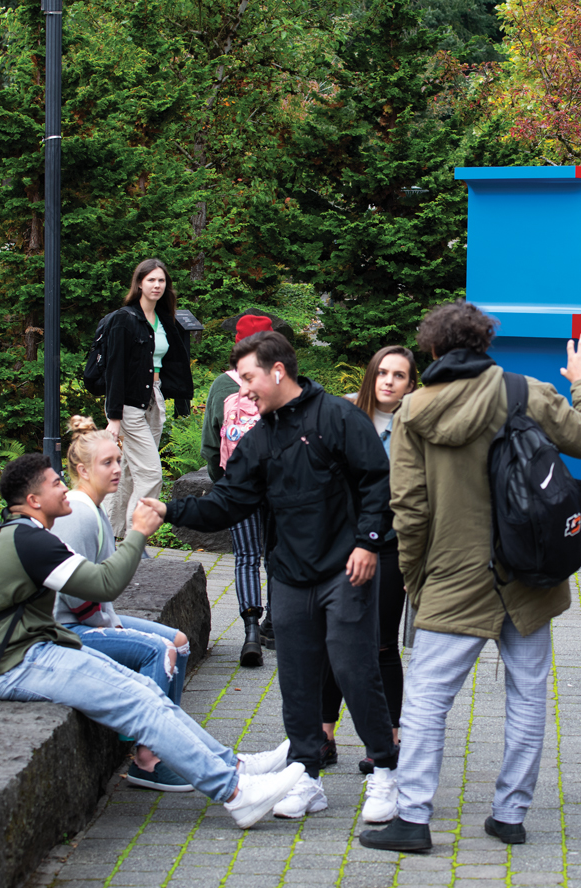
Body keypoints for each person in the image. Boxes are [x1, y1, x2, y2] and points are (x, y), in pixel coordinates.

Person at [360, 304, 581, 854]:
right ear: (483, 344)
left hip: (452, 576)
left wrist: (416, 581)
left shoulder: (414, 410)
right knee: (527, 693)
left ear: (430, 351)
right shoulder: (526, 392)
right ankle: (510, 815)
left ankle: (413, 819)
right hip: (529, 573)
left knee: (426, 700)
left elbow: (408, 509)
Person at [146, 331, 401, 824]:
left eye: (248, 379)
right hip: (289, 574)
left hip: (346, 567)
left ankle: (385, 773)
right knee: (298, 678)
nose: (243, 391)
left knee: (354, 668)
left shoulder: (338, 417)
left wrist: (368, 542)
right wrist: (171, 510)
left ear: (277, 371)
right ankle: (306, 777)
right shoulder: (260, 438)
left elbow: (378, 481)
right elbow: (230, 501)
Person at [0, 454, 305, 828]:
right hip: (16, 663)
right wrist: (138, 532)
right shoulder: (30, 541)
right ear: (33, 500)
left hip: (33, 651)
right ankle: (236, 793)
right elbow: (104, 585)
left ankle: (235, 769)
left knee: (144, 694)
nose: (64, 487)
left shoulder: (22, 534)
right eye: (54, 483)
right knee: (138, 700)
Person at [52, 415, 194, 791]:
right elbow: (72, 590)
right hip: (67, 628)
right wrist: (112, 626)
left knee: (180, 642)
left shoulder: (94, 507)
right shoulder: (77, 513)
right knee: (159, 649)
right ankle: (148, 760)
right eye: (107, 463)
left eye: (119, 460)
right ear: (81, 469)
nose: (117, 469)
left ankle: (162, 746)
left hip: (91, 618)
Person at [320, 345, 417, 768]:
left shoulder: (415, 427)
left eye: (398, 375)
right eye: (382, 373)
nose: (389, 381)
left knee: (380, 645)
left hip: (392, 548)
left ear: (411, 385)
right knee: (335, 641)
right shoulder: (345, 418)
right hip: (343, 545)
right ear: (371, 376)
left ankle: (389, 740)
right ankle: (323, 734)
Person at [200, 311, 279, 667]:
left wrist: (226, 486)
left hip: (239, 486)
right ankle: (275, 625)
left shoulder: (222, 385)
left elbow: (209, 447)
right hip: (278, 487)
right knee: (276, 555)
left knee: (246, 557)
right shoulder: (282, 380)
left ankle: (249, 632)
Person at [101, 258, 193, 538]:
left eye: (161, 280)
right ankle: (134, 539)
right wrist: (113, 417)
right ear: (139, 283)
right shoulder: (123, 320)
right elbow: (114, 370)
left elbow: (176, 363)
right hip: (128, 405)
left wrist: (179, 399)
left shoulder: (164, 320)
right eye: (151, 280)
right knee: (151, 474)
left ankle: (105, 532)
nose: (157, 285)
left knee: (129, 470)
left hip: (154, 398)